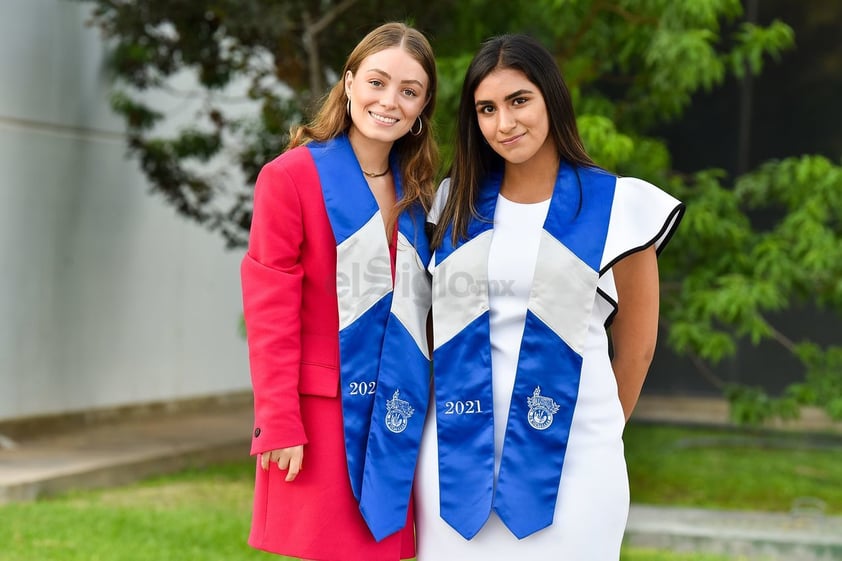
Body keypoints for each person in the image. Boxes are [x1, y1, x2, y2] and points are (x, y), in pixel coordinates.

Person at [415, 34, 684, 560]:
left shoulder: (616, 206)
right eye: (487, 109)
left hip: (573, 455)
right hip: (456, 457)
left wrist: (592, 427)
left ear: (551, 100)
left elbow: (637, 348)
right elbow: (429, 325)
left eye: (519, 101)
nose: (505, 124)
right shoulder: (451, 205)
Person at [240, 22, 438, 561]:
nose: (389, 101)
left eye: (409, 91)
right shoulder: (291, 178)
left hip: (400, 416)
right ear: (349, 83)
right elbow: (269, 311)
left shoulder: (420, 195)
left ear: (422, 108)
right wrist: (278, 421)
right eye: (377, 81)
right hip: (321, 419)